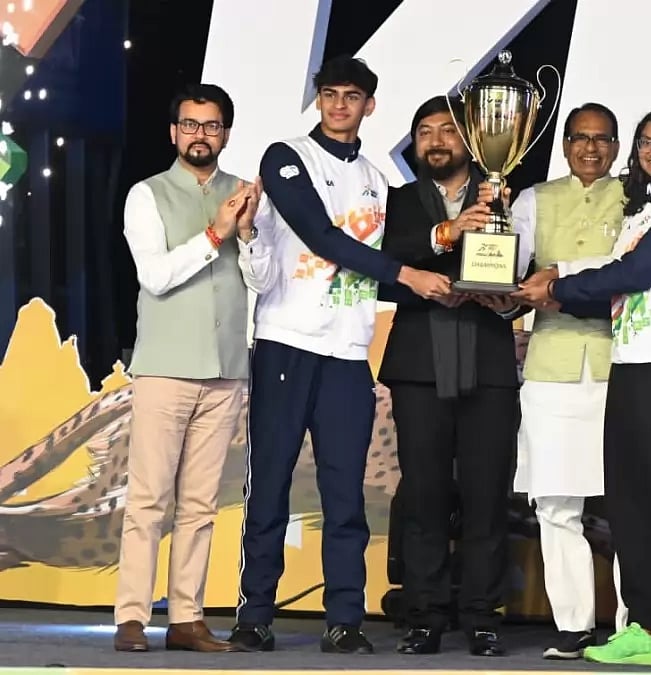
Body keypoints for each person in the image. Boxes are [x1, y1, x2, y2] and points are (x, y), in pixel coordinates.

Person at [228, 56, 450, 655]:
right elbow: (321, 238)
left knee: (345, 494)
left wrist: (456, 269)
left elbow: (376, 272)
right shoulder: (286, 156)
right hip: (286, 341)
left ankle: (344, 618)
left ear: (369, 106)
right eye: (329, 95)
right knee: (270, 482)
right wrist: (409, 271)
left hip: (348, 350)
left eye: (352, 96)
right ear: (319, 101)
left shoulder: (379, 181)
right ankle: (254, 614)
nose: (340, 105)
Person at [515, 106, 651, 668]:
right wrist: (555, 277)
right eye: (647, 143)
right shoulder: (641, 214)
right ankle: (646, 630)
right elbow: (609, 262)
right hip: (629, 367)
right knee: (631, 508)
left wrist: (556, 289)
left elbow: (635, 274)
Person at [114, 83, 271, 653]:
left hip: (227, 368)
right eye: (190, 124)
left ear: (225, 133)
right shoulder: (146, 195)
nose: (199, 134)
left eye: (210, 125)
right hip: (164, 366)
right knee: (150, 499)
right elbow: (154, 276)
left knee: (202, 504)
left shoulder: (247, 194)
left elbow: (262, 281)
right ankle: (131, 616)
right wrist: (215, 234)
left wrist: (249, 234)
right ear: (174, 132)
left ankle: (187, 618)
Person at [377, 95, 523, 658]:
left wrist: (505, 299)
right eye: (424, 132)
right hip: (419, 364)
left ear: (470, 141)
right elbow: (388, 262)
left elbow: (523, 273)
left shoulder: (502, 199)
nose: (435, 141)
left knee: (488, 497)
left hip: (486, 362)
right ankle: (425, 616)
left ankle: (483, 617)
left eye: (446, 131)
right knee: (424, 496)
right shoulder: (395, 201)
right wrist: (448, 232)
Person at [509, 102, 630, 659]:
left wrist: (559, 279)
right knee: (556, 503)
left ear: (616, 147)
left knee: (630, 502)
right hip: (552, 366)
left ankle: (637, 624)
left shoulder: (638, 200)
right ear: (564, 145)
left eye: (602, 139)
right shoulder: (534, 199)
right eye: (580, 138)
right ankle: (573, 625)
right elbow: (510, 272)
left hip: (624, 364)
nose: (590, 148)